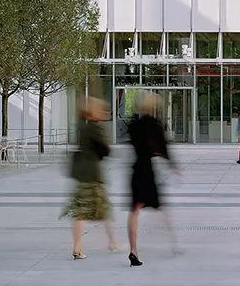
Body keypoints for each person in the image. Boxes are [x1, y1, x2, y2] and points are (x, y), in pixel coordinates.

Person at [61, 97, 121, 260]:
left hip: (82, 173)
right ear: (93, 112)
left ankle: (81, 246)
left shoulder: (82, 126)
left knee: (83, 210)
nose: (104, 113)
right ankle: (111, 242)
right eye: (101, 110)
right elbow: (106, 150)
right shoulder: (95, 128)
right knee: (101, 207)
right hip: (93, 174)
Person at [127, 92, 180, 266]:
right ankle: (173, 242)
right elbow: (163, 147)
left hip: (136, 170)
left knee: (135, 210)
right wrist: (172, 165)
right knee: (161, 208)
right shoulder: (155, 125)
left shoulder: (134, 125)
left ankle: (133, 250)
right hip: (148, 172)